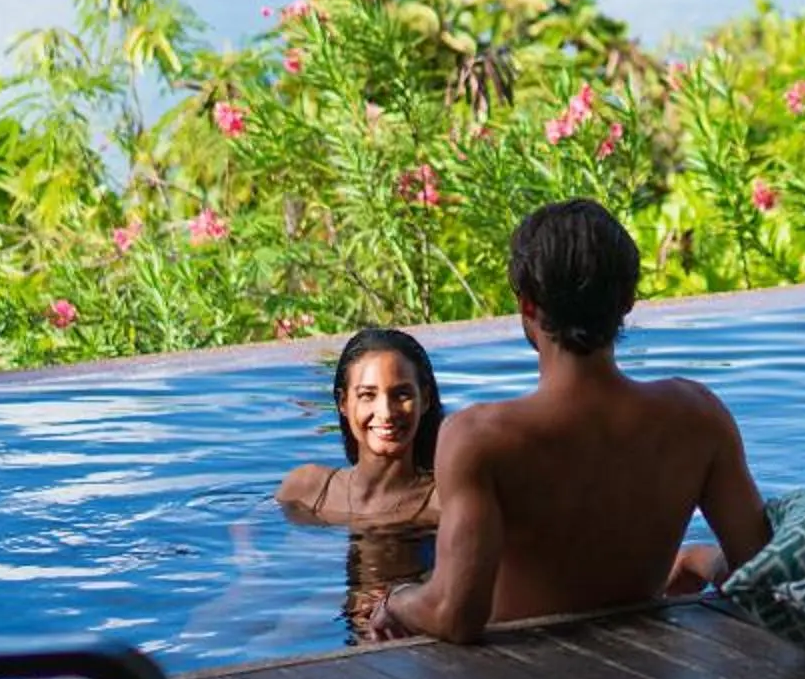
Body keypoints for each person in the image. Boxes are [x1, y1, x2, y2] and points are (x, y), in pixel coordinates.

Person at [381, 199, 770, 644]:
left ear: (528, 306)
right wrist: (699, 559)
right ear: (627, 301)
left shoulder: (479, 438)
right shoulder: (698, 415)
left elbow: (455, 616)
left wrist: (396, 599)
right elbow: (759, 570)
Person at [277, 326, 444, 640]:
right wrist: (248, 566)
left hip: (410, 625)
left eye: (402, 394)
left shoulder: (442, 501)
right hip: (333, 610)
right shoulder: (307, 489)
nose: (386, 412)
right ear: (342, 402)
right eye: (368, 395)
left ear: (425, 400)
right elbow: (254, 536)